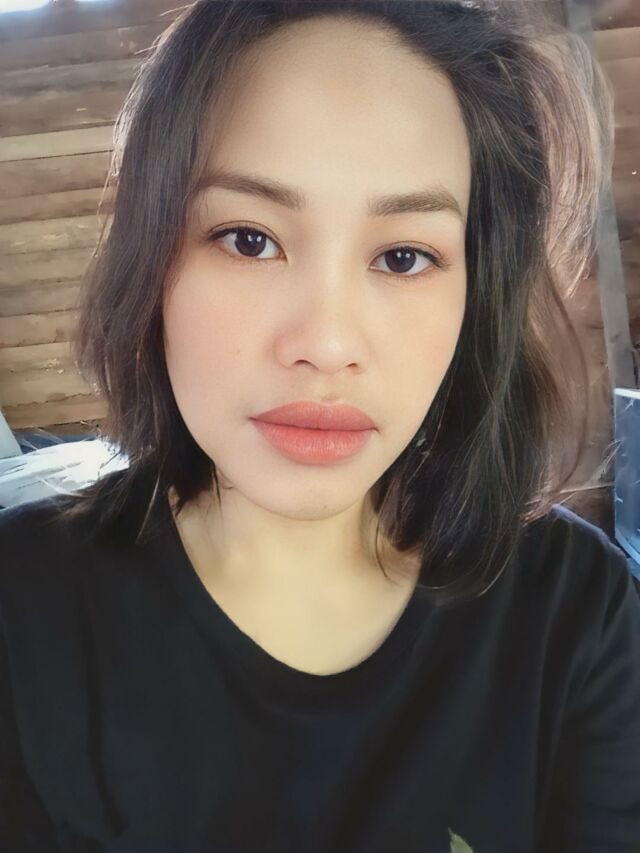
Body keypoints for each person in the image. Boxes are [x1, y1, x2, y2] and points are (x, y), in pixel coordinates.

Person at [1, 1, 639, 850]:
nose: (327, 344)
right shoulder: (25, 609)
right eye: (248, 239)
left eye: (404, 256)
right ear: (151, 261)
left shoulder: (576, 610)